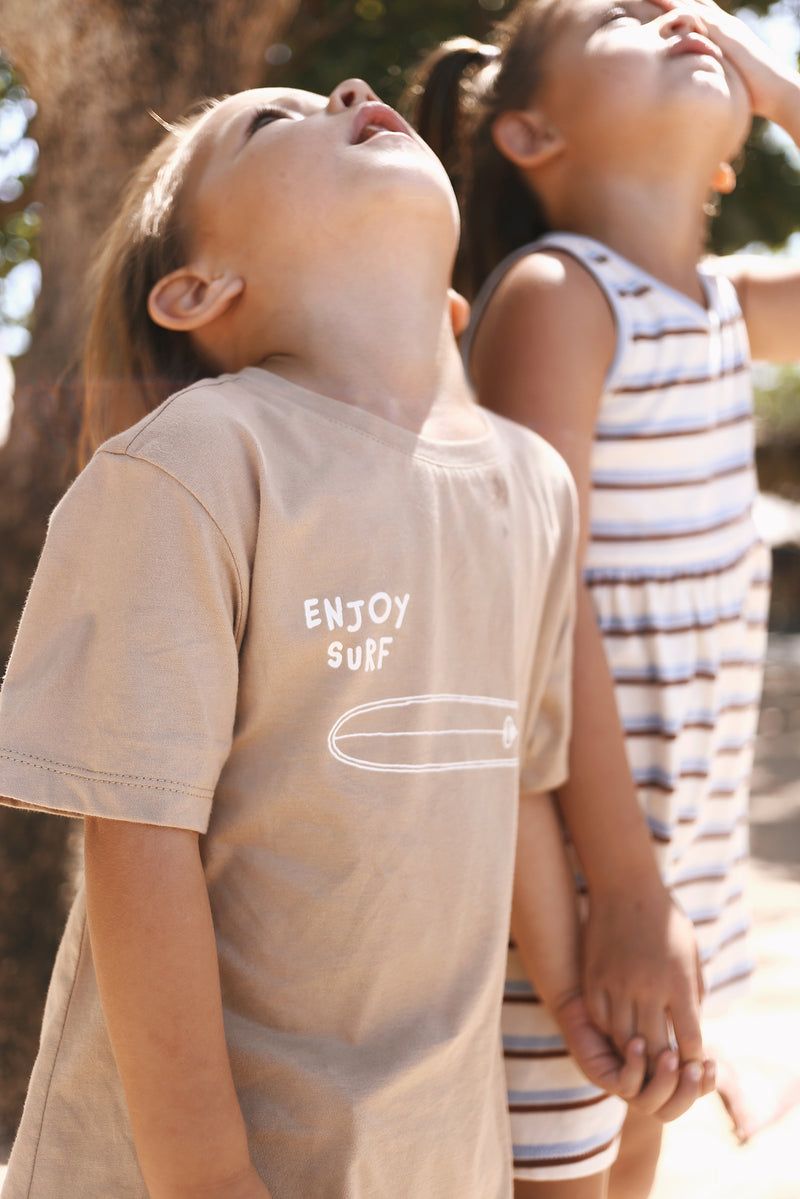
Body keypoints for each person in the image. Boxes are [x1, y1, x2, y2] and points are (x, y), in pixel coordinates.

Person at [0, 77, 657, 1199]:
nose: (351, 88)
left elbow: (511, 786)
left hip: (438, 1155)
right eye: (269, 120)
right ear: (198, 290)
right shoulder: (195, 464)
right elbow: (136, 837)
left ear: (451, 302)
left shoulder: (533, 485)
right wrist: (207, 1174)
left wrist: (573, 1001)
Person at [411, 1, 800, 1196]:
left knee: (629, 1150)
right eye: (623, 18)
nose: (680, 19)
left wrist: (781, 90)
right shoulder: (559, 293)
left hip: (673, 850)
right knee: (564, 1170)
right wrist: (625, 893)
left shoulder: (720, 308)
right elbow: (538, 593)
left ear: (728, 156)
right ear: (531, 134)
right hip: (581, 865)